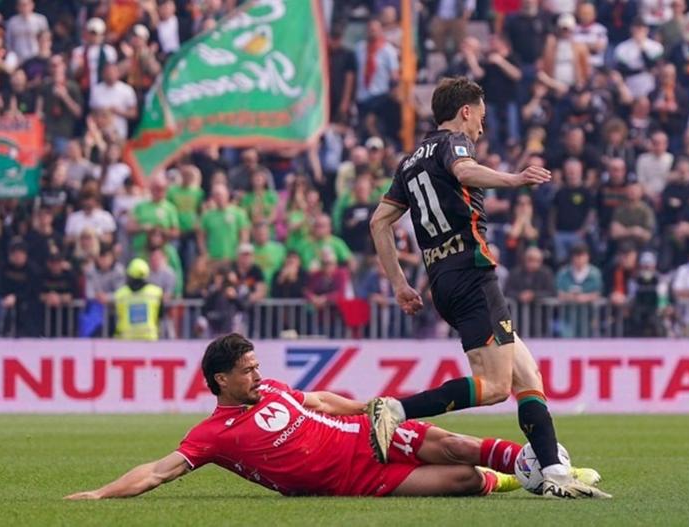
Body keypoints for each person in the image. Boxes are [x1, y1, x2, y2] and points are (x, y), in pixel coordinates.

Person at [366, 77, 607, 499]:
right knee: (494, 386)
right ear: (465, 111)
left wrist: (400, 284)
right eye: (480, 115)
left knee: (527, 375)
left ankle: (554, 473)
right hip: (472, 272)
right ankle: (397, 408)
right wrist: (514, 179)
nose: (481, 125)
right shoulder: (453, 143)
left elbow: (378, 222)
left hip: (443, 278)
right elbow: (465, 171)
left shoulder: (409, 162)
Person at [64, 334, 603, 500]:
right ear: (221, 380)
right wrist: (99, 494)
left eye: (257, 366)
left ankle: (549, 468)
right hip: (353, 480)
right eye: (247, 371)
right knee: (461, 480)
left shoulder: (272, 391)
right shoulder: (212, 435)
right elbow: (158, 471)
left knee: (456, 445)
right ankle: (518, 476)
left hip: (364, 434)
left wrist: (371, 408)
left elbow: (319, 401)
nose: (258, 375)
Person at [114, 258, 163, 341]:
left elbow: (119, 314)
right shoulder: (156, 292)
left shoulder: (121, 293)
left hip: (126, 338)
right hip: (149, 338)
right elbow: (160, 315)